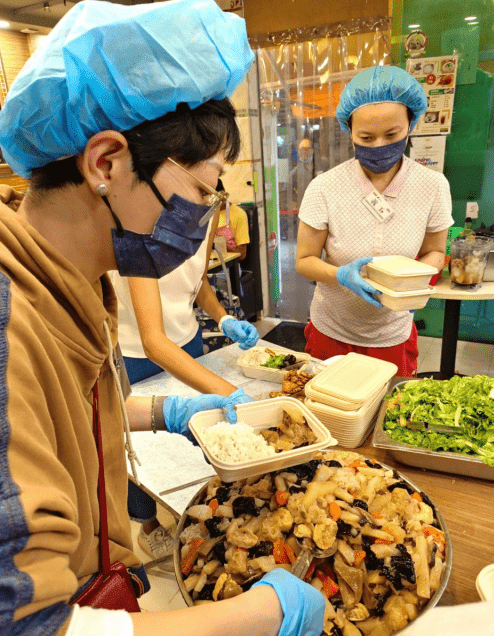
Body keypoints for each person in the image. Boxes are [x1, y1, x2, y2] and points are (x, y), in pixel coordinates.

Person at [0, 1, 325, 635]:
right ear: (105, 163)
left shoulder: (79, 283)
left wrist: (160, 412)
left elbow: (57, 415)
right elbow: (25, 626)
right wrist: (257, 614)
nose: (205, 216)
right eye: (202, 191)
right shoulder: (8, 326)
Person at [110, 188, 258, 564]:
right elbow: (153, 340)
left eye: (215, 193)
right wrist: (233, 393)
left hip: (187, 342)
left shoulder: (206, 213)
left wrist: (223, 317)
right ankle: (147, 526)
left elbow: (198, 284)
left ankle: (193, 509)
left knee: (195, 439)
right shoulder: (137, 223)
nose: (210, 200)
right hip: (137, 353)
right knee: (142, 452)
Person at [296, 65, 454, 377]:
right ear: (348, 130)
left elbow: (436, 251)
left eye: (392, 134)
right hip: (332, 331)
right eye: (366, 137)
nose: (379, 144)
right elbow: (304, 260)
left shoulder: (433, 186)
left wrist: (415, 284)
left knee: (388, 417)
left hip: (392, 334)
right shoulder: (325, 187)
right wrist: (340, 275)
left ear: (411, 124)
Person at [215, 180, 251, 261]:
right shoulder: (205, 214)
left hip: (228, 266)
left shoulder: (238, 214)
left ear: (222, 193)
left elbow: (242, 254)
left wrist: (219, 244)